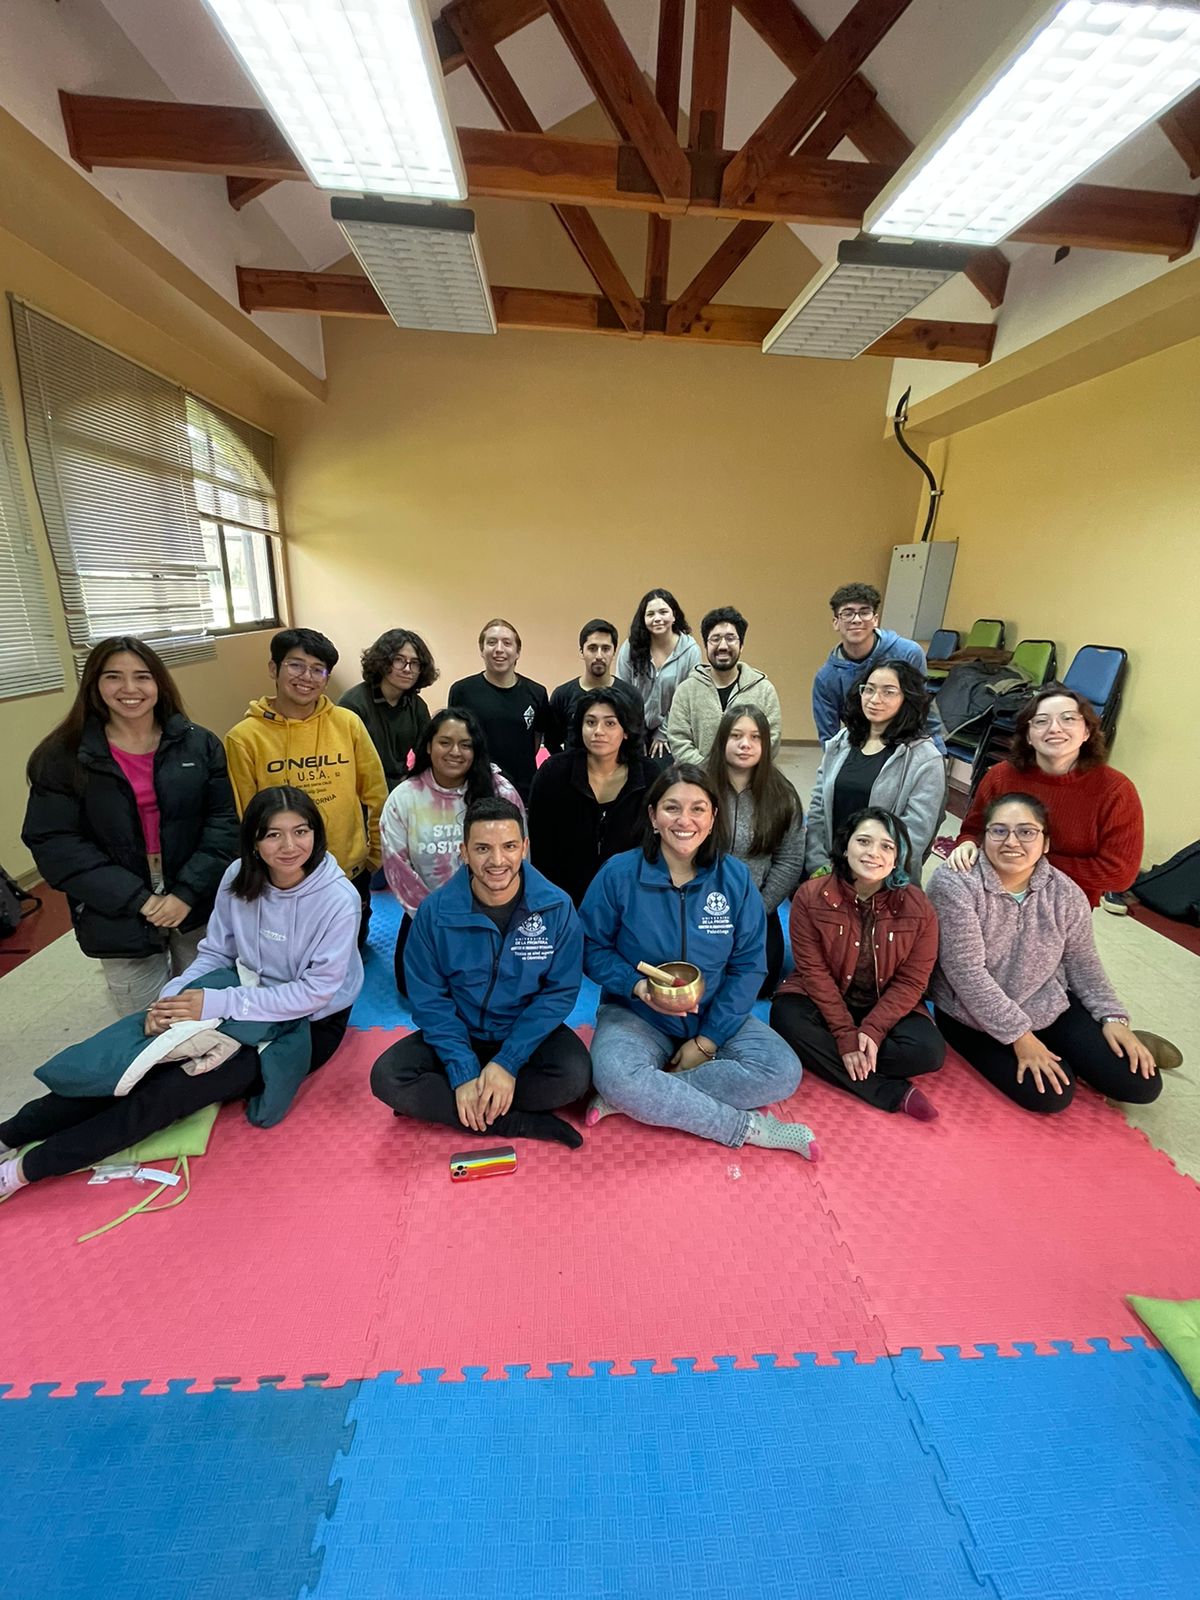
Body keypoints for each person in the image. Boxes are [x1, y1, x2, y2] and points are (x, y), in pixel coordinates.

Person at [0, 788, 363, 1200]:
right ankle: (10, 1132)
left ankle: (25, 1170)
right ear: (253, 840)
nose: (289, 846)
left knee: (171, 1090)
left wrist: (216, 1003)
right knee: (130, 1059)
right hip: (242, 989)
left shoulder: (338, 898)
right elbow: (217, 952)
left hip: (308, 1021)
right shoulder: (238, 876)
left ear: (316, 834)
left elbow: (316, 992)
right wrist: (171, 999)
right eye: (273, 834)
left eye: (301, 831)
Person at [581, 765, 819, 1159]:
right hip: (637, 1013)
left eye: (698, 809)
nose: (684, 820)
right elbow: (590, 947)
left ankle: (636, 1097)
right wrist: (635, 985)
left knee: (782, 1070)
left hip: (714, 1010)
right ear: (653, 816)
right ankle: (747, 1127)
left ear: (712, 818)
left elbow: (749, 966)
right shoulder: (619, 874)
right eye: (672, 808)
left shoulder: (734, 878)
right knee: (616, 1073)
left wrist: (707, 1042)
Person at [22, 636, 239, 1016]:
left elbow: (222, 823)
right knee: (143, 1018)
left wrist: (186, 892)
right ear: (94, 684)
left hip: (195, 893)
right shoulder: (62, 757)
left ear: (159, 683)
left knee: (202, 1006)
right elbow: (55, 842)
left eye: (142, 676)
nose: (129, 688)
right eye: (113, 677)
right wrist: (140, 900)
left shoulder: (199, 744)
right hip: (115, 906)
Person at [370, 798, 592, 1147]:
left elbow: (558, 993)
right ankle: (515, 1122)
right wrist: (462, 1071)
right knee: (387, 1078)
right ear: (464, 852)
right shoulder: (435, 913)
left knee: (575, 1078)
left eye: (509, 846)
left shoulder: (557, 907)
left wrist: (509, 1061)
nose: (497, 861)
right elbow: (429, 1000)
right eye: (483, 848)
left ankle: (454, 1106)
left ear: (524, 848)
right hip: (460, 1031)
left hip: (523, 1033)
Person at [928, 792, 1164, 1115]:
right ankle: (1061, 1055)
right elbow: (967, 974)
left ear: (1046, 842)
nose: (1012, 842)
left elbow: (1083, 962)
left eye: (1026, 832)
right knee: (1052, 1094)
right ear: (983, 837)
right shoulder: (955, 885)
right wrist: (1020, 1037)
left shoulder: (1065, 892)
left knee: (1142, 1083)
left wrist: (1112, 1017)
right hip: (970, 1016)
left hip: (1044, 1003)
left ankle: (1093, 1048)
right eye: (999, 831)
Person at [771, 809, 945, 1120]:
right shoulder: (810, 896)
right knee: (785, 1019)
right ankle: (890, 1092)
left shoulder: (919, 908)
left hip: (883, 1001)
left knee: (928, 1053)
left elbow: (912, 981)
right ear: (845, 846)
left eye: (886, 846)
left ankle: (842, 1058)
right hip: (822, 997)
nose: (873, 853)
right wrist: (845, 1035)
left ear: (898, 857)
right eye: (863, 841)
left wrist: (873, 1030)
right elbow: (813, 972)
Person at [224, 628, 387, 948]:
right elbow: (245, 815)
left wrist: (375, 855)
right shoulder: (244, 738)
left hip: (348, 870)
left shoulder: (347, 723)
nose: (306, 677)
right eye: (296, 665)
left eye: (318, 669)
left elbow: (376, 793)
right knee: (290, 956)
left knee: (351, 949)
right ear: (274, 668)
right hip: (282, 878)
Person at [947, 684, 1143, 909]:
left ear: (1087, 732)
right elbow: (973, 830)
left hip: (1066, 904)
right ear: (1028, 735)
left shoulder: (1116, 790)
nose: (1055, 728)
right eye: (1041, 721)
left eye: (1068, 719)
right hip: (994, 894)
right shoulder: (1001, 776)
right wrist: (966, 844)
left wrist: (1028, 861)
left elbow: (1119, 874)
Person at [380, 708, 523, 996]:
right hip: (427, 914)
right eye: (445, 742)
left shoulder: (500, 792)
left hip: (491, 913)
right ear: (428, 746)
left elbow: (518, 857)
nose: (455, 752)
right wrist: (439, 923)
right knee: (415, 990)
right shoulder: (403, 798)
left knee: (500, 988)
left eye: (465, 744)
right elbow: (398, 870)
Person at [805, 659, 946, 874]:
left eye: (888, 692)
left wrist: (866, 877)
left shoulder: (925, 759)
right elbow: (818, 809)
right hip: (829, 869)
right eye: (869, 689)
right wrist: (819, 866)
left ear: (907, 698)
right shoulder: (842, 741)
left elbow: (915, 835)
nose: (874, 699)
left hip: (882, 877)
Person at [706, 704, 804, 994]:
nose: (745, 744)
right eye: (736, 736)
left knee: (759, 983)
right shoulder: (697, 785)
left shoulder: (782, 795)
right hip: (699, 904)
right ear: (722, 740)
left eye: (755, 737)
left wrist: (759, 908)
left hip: (756, 906)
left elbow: (789, 860)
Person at [528, 688, 659, 907]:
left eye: (610, 723)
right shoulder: (553, 773)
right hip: (564, 899)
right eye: (590, 722)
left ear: (626, 731)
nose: (598, 731)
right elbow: (540, 845)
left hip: (631, 898)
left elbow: (655, 844)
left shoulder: (649, 775)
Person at [812, 583, 942, 749]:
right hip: (862, 747)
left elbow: (924, 712)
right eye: (847, 613)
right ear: (836, 622)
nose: (856, 620)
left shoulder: (908, 653)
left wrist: (936, 752)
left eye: (864, 612)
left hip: (907, 746)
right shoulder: (826, 678)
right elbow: (829, 740)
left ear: (875, 619)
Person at [447, 618, 548, 803]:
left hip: (522, 791)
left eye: (507, 643)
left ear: (517, 652)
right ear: (482, 650)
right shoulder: (462, 691)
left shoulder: (536, 693)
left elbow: (535, 739)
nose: (499, 649)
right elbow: (456, 739)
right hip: (474, 790)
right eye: (491, 642)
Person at [667, 606, 782, 768]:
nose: (723, 646)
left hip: (749, 779)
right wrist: (709, 771)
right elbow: (678, 739)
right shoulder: (686, 690)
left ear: (741, 645)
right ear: (706, 646)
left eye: (730, 638)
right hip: (700, 779)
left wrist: (739, 770)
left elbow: (772, 739)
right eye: (715, 639)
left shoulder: (763, 690)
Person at [338, 628, 437, 789]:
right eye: (399, 660)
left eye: (415, 663)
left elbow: (427, 753)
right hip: (363, 789)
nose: (407, 669)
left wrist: (411, 783)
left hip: (402, 788)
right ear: (383, 662)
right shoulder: (353, 704)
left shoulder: (417, 705)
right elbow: (346, 766)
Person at [614, 589, 701, 760]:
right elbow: (622, 692)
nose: (657, 618)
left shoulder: (691, 651)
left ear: (674, 615)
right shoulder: (631, 647)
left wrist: (663, 733)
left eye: (663, 612)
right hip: (633, 726)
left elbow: (687, 699)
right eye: (650, 614)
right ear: (643, 619)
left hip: (672, 727)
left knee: (662, 768)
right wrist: (636, 733)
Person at [544, 620, 641, 755]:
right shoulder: (563, 695)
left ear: (614, 652)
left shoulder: (630, 695)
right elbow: (551, 741)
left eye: (606, 649)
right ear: (582, 652)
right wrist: (566, 765)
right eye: (592, 648)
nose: (599, 656)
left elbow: (636, 742)